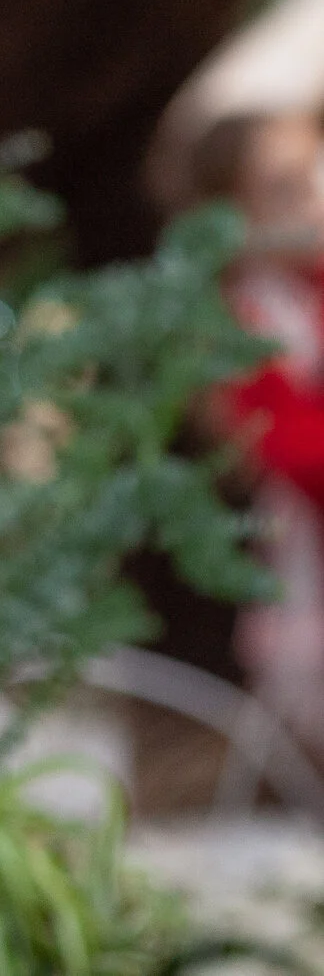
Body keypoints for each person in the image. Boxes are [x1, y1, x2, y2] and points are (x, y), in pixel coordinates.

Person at [196, 108, 324, 749]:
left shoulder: (313, 286)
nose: (311, 198)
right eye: (284, 187)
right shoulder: (242, 324)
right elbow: (291, 451)